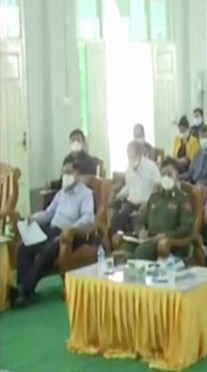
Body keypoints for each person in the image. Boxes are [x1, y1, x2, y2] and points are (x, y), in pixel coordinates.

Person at [12, 158, 95, 306]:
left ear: (78, 173)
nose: (65, 176)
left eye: (69, 172)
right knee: (24, 247)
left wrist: (70, 229)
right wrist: (33, 218)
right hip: (52, 230)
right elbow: (49, 213)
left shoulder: (85, 194)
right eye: (63, 172)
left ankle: (23, 290)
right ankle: (27, 292)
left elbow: (88, 217)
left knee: (48, 250)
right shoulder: (61, 193)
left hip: (71, 236)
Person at [130, 162, 194, 260]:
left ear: (176, 178)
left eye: (169, 175)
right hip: (149, 239)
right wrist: (140, 231)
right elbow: (141, 220)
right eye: (163, 174)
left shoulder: (181, 199)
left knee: (142, 251)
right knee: (125, 248)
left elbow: (187, 227)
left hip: (167, 242)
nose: (166, 177)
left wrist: (167, 235)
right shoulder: (154, 197)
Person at [112, 141, 161, 233]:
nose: (131, 159)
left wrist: (148, 202)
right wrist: (118, 195)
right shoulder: (129, 169)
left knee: (137, 220)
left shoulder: (152, 168)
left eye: (133, 156)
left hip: (147, 205)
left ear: (139, 154)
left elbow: (158, 190)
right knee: (117, 219)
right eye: (129, 156)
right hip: (131, 204)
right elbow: (128, 187)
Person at [46, 130, 102, 199]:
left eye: (78, 140)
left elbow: (91, 181)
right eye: (73, 140)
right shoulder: (67, 159)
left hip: (83, 195)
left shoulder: (90, 161)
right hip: (67, 193)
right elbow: (63, 181)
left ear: (83, 143)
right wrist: (51, 184)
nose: (75, 142)